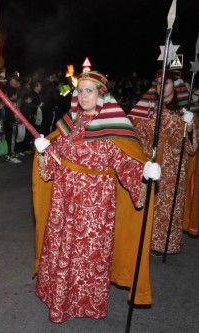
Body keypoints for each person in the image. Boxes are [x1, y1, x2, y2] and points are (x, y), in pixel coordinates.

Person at [32, 71, 161, 322]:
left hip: (95, 203)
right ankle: (56, 296)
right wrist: (45, 152)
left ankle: (84, 303)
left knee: (87, 251)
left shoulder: (112, 126)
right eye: (80, 90)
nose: (83, 95)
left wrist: (144, 172)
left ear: (102, 94)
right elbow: (57, 159)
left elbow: (125, 163)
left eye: (89, 90)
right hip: (63, 198)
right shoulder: (71, 121)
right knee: (61, 245)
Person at [128, 70, 197, 255]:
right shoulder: (148, 109)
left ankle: (165, 244)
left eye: (165, 83)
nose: (161, 87)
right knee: (149, 202)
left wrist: (189, 128)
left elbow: (191, 149)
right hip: (152, 163)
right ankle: (145, 240)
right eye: (158, 83)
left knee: (168, 206)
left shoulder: (183, 111)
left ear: (173, 85)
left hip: (173, 167)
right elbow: (139, 135)